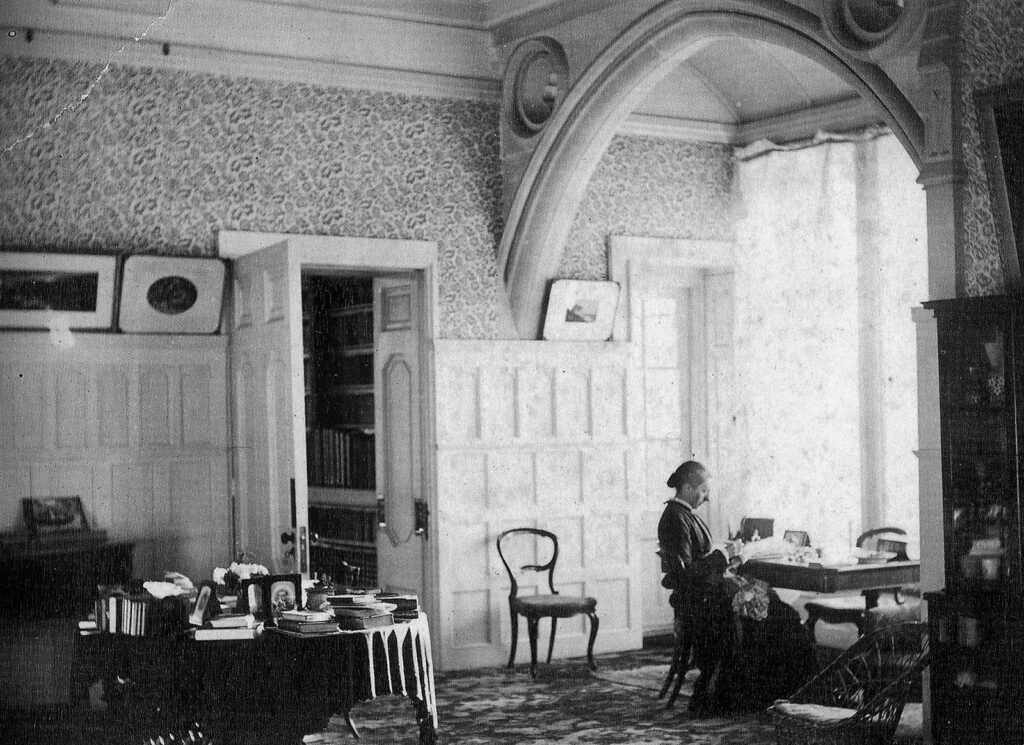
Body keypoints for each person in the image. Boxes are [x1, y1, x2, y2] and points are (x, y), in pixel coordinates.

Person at [657, 460, 817, 718]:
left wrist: (730, 557)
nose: (707, 497)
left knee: (779, 610)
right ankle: (785, 694)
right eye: (703, 490)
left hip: (708, 597)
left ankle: (789, 693)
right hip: (705, 605)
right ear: (687, 487)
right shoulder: (675, 518)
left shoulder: (682, 515)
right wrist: (721, 556)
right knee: (784, 619)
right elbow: (684, 575)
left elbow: (696, 565)